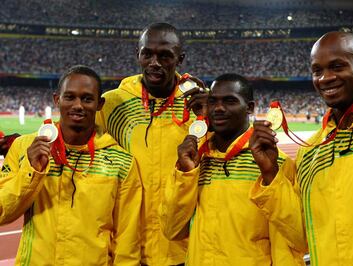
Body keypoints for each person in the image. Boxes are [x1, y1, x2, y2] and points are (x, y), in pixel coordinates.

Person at [250, 31, 353, 265]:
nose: (325, 78)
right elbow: (302, 236)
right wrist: (270, 174)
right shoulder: (311, 151)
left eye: (337, 66)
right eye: (317, 70)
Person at [0, 65, 142, 265]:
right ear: (57, 100)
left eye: (87, 98)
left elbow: (128, 241)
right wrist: (31, 171)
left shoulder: (122, 162)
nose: (78, 105)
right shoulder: (25, 148)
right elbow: (2, 212)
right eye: (70, 97)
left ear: (100, 104)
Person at [159, 73, 307, 265]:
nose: (219, 108)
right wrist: (185, 175)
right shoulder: (196, 159)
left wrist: (270, 176)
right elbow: (171, 229)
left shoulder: (275, 162)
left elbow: (299, 238)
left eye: (229, 101)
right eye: (213, 101)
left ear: (250, 108)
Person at [96, 22, 205, 266]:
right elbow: (69, 136)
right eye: (148, 54)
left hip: (183, 249)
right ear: (138, 55)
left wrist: (211, 115)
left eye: (165, 56)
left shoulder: (197, 105)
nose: (155, 62)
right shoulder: (112, 104)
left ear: (180, 59)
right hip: (127, 248)